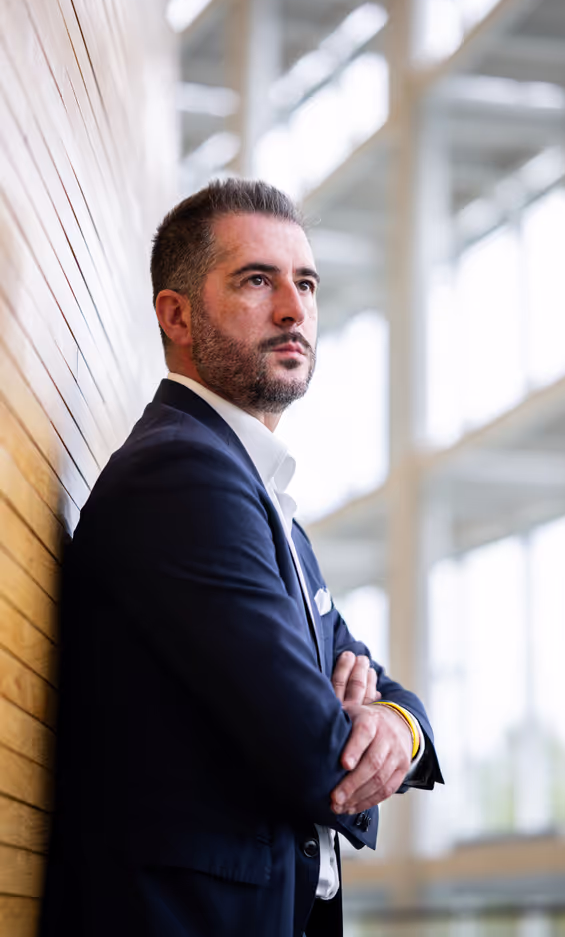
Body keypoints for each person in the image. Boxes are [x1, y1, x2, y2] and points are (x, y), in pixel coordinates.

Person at [39, 179, 442, 937]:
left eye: (306, 284)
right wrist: (345, 718)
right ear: (177, 314)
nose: (294, 310)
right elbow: (316, 756)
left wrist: (389, 719)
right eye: (258, 280)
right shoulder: (183, 477)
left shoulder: (258, 489)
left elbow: (369, 676)